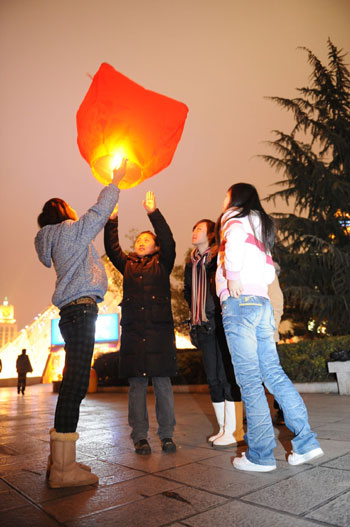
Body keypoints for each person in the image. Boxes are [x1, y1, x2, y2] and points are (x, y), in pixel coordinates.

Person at [215, 182, 323, 472]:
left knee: (250, 381)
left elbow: (234, 242)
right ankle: (306, 442)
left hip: (240, 304)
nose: (223, 202)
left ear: (235, 198)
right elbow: (268, 269)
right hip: (261, 303)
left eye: (226, 196)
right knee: (273, 374)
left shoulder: (234, 220)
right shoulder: (260, 228)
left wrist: (234, 275)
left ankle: (260, 456)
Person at [34, 160, 126, 488]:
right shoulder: (70, 231)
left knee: (73, 384)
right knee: (74, 386)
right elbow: (99, 212)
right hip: (83, 311)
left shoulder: (50, 240)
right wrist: (115, 182)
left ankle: (63, 460)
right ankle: (62, 470)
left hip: (70, 314)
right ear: (63, 211)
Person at [104, 191, 177, 455]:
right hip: (134, 334)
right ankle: (140, 437)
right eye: (138, 240)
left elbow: (168, 241)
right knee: (136, 387)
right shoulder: (128, 265)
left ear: (156, 247)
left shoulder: (163, 262)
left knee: (162, 384)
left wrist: (152, 213)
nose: (141, 242)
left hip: (159, 333)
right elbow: (112, 248)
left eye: (147, 240)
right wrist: (112, 219)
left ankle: (167, 435)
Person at [184, 219, 244, 448]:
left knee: (227, 377)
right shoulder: (191, 263)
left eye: (199, 228)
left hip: (220, 322)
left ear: (210, 235)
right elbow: (187, 293)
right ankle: (223, 429)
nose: (194, 231)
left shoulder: (219, 258)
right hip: (202, 324)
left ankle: (235, 430)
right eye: (194, 228)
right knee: (213, 379)